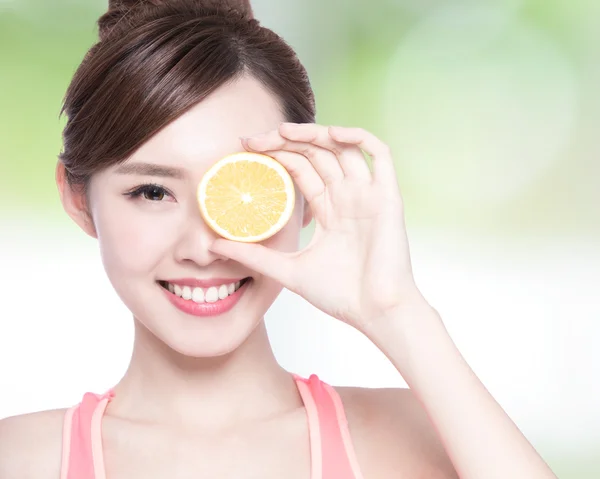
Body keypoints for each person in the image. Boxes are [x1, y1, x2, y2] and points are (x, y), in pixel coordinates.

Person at [0, 1, 558, 478]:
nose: (202, 246)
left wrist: (396, 310)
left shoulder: (414, 438)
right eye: (152, 191)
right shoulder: (20, 459)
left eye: (241, 188)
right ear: (77, 197)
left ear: (304, 190)